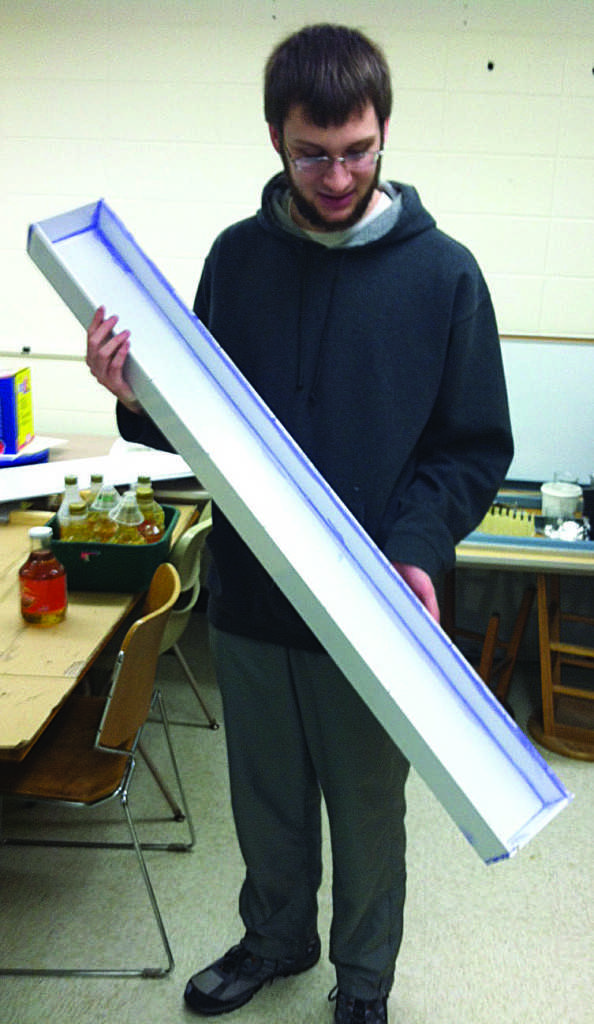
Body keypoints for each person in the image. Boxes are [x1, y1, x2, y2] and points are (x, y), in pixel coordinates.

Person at [86, 23, 513, 1024]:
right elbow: (192, 419)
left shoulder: (444, 276)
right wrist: (132, 392)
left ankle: (364, 985)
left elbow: (471, 448)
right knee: (266, 803)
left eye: (357, 149)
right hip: (250, 599)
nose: (335, 174)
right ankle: (277, 938)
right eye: (312, 152)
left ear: (385, 131)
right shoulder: (237, 261)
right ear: (276, 137)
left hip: (375, 608)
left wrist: (416, 550)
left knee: (368, 815)